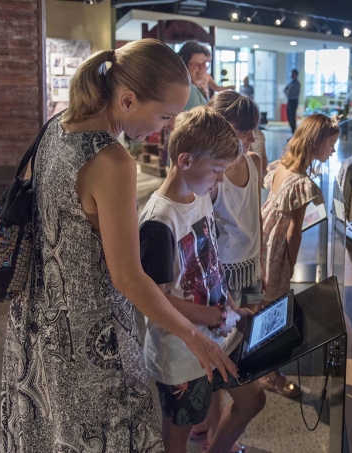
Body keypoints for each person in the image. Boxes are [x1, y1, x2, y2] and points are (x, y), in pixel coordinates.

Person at [0, 39, 237, 453]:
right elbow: (128, 276)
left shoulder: (55, 128)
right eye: (164, 115)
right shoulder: (113, 161)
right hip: (92, 333)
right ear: (127, 100)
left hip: (39, 318)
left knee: (51, 431)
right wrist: (195, 338)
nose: (165, 128)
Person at [138, 106, 265, 453]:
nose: (220, 179)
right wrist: (217, 316)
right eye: (216, 170)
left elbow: (210, 261)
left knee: (253, 399)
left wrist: (231, 306)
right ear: (185, 160)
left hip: (216, 332)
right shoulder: (158, 221)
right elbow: (157, 299)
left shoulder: (199, 196)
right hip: (179, 352)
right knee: (178, 431)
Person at [185, 92, 263, 450]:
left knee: (240, 350)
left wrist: (260, 264)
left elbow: (255, 217)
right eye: (240, 132)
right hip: (223, 276)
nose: (246, 140)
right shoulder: (213, 177)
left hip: (249, 270)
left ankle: (210, 433)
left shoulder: (254, 161)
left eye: (249, 133)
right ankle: (214, 437)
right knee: (219, 364)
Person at [259, 113, 339, 397]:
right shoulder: (301, 182)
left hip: (263, 237)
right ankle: (267, 373)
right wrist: (290, 264)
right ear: (316, 145)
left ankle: (263, 368)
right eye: (330, 146)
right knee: (273, 311)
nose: (332, 152)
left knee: (263, 306)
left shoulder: (283, 167)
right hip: (277, 247)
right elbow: (294, 232)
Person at [178, 41, 210, 110]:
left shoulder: (198, 87)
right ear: (185, 66)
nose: (202, 68)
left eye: (204, 63)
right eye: (196, 65)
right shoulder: (190, 89)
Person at [284, 69, 301, 134]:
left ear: (296, 75)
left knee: (292, 118)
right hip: (289, 101)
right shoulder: (291, 83)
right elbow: (285, 90)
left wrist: (288, 92)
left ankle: (294, 133)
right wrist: (288, 92)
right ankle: (293, 132)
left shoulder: (297, 84)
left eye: (292, 74)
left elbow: (291, 93)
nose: (291, 75)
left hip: (293, 102)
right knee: (289, 117)